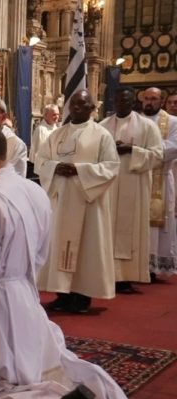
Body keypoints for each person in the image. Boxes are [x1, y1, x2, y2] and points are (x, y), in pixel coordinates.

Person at [0, 124, 138, 399]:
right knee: (28, 359)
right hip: (23, 289)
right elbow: (41, 249)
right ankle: (81, 394)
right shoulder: (34, 190)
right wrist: (17, 271)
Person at [34, 90, 119, 313]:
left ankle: (82, 296)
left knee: (87, 248)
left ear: (92, 108)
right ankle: (62, 294)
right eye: (73, 104)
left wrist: (79, 171)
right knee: (57, 245)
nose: (76, 107)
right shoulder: (57, 134)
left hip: (88, 202)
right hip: (60, 201)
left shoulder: (102, 135)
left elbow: (111, 167)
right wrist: (55, 168)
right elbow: (40, 160)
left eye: (82, 104)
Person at [100, 87, 163, 293]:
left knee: (131, 229)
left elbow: (157, 155)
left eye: (126, 101)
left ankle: (127, 277)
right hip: (109, 186)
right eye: (118, 101)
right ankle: (106, 274)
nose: (121, 104)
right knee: (107, 228)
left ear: (133, 103)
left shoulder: (147, 126)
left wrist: (131, 150)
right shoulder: (102, 126)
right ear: (114, 102)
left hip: (134, 184)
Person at [141, 87, 177, 279]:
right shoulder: (136, 120)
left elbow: (173, 147)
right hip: (137, 179)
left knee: (159, 226)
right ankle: (138, 264)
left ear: (161, 101)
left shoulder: (173, 122)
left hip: (160, 179)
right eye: (146, 98)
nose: (149, 102)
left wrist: (142, 151)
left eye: (154, 98)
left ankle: (154, 267)